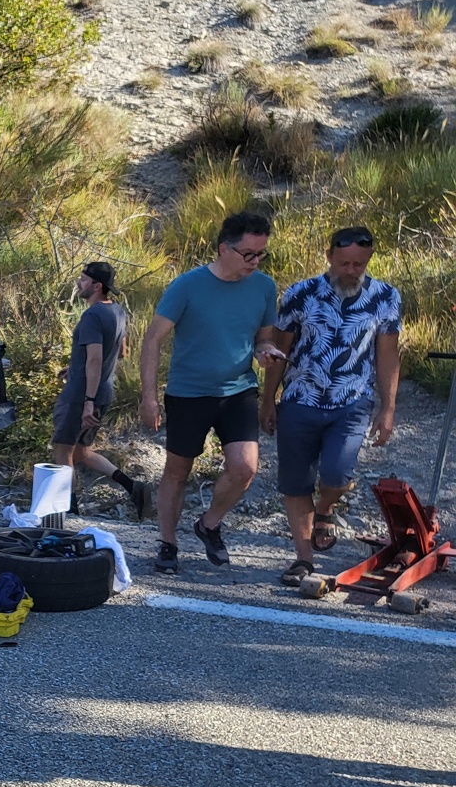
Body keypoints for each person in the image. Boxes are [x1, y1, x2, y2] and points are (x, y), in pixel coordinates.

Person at [140, 210, 287, 573]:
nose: (255, 261)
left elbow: (262, 339)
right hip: (188, 392)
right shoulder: (187, 285)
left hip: (238, 390)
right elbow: (153, 339)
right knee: (178, 470)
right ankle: (168, 543)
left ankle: (209, 524)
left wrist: (266, 351)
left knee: (245, 467)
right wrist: (149, 397)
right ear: (224, 249)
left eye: (261, 254)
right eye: (248, 254)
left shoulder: (264, 287)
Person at [260, 226, 401, 586]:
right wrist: (268, 400)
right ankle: (303, 559)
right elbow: (280, 351)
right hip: (301, 399)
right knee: (296, 483)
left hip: (352, 401)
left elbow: (387, 356)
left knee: (338, 474)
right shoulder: (301, 293)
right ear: (329, 257)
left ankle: (325, 508)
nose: (351, 271)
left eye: (358, 264)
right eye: (344, 264)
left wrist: (387, 409)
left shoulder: (385, 297)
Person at [51, 261, 149, 517]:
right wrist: (76, 366)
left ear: (97, 286)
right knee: (81, 452)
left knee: (62, 450)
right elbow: (121, 352)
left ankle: (67, 509)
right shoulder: (117, 311)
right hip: (104, 392)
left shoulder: (92, 316)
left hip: (81, 396)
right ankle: (133, 487)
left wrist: (88, 401)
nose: (79, 283)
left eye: (83, 279)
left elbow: (95, 358)